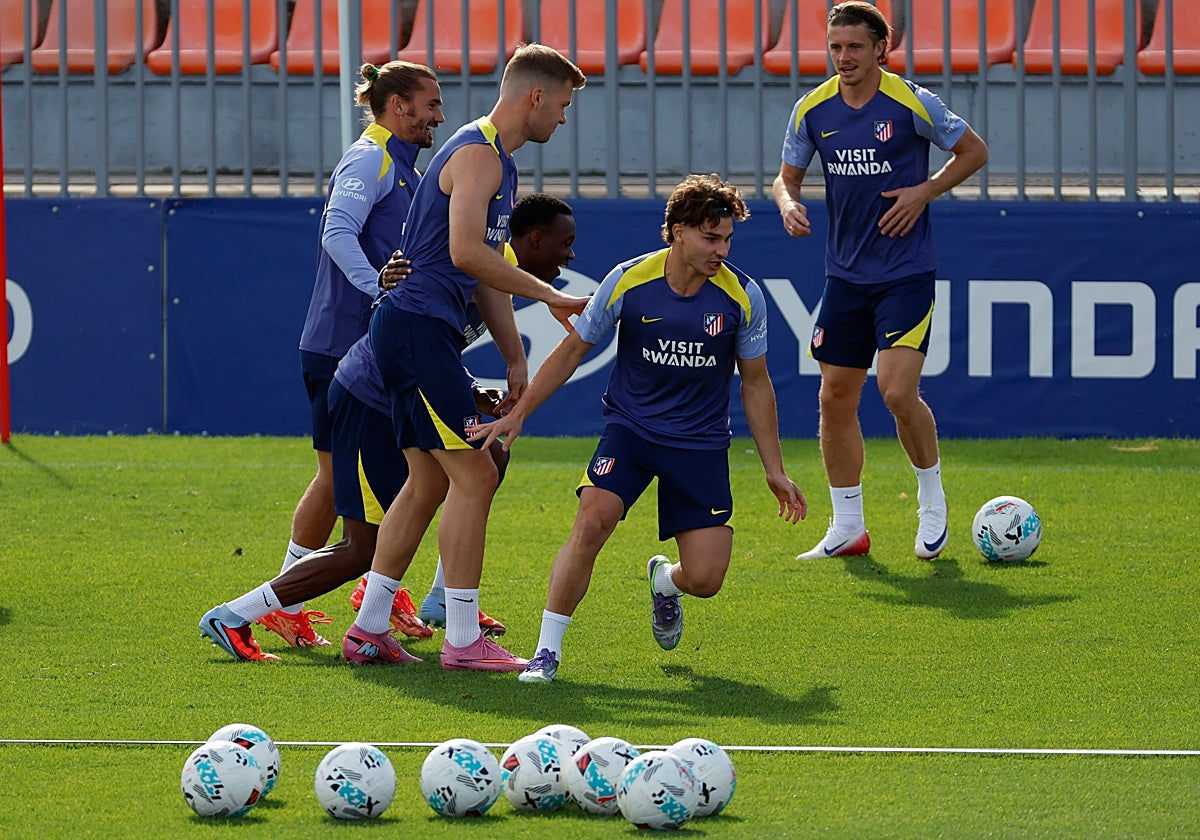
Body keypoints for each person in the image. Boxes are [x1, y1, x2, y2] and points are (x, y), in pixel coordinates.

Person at [198, 195, 577, 662]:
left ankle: (395, 614)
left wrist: (470, 389)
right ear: (534, 238)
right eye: (565, 243)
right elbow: (415, 339)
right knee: (362, 545)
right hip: (370, 399)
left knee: (479, 461)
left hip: (391, 392)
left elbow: (433, 347)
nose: (570, 255)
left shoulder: (490, 269)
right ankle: (236, 614)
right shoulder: (485, 266)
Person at [469, 174, 808, 684]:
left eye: (727, 239)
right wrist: (520, 413)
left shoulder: (742, 297)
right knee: (592, 521)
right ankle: (546, 652)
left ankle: (665, 581)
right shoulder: (629, 280)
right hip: (631, 430)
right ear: (677, 232)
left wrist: (774, 470)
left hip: (698, 444)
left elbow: (756, 384)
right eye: (711, 238)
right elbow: (573, 349)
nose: (722, 250)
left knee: (706, 578)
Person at [342, 44, 589, 671]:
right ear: (535, 96)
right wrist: (551, 296)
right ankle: (460, 639)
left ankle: (369, 628)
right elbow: (465, 254)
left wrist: (514, 357)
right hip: (417, 328)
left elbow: (484, 270)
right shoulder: (480, 155)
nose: (563, 118)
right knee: (476, 475)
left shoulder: (494, 158)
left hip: (415, 329)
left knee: (428, 481)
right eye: (562, 105)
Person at [771, 1, 988, 561]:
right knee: (834, 396)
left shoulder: (911, 101)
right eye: (835, 46)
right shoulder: (812, 108)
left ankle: (932, 500)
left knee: (895, 390)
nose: (843, 57)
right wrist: (789, 204)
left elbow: (973, 150)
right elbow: (785, 178)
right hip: (845, 276)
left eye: (855, 47)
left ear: (880, 49)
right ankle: (848, 527)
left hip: (905, 273)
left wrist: (924, 191)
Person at [257, 61, 444, 649]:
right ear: (398, 105)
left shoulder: (406, 168)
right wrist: (376, 287)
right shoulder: (370, 158)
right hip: (342, 347)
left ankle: (372, 590)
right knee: (345, 478)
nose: (439, 116)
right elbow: (336, 232)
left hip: (370, 350)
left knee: (392, 477)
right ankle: (291, 600)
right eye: (431, 104)